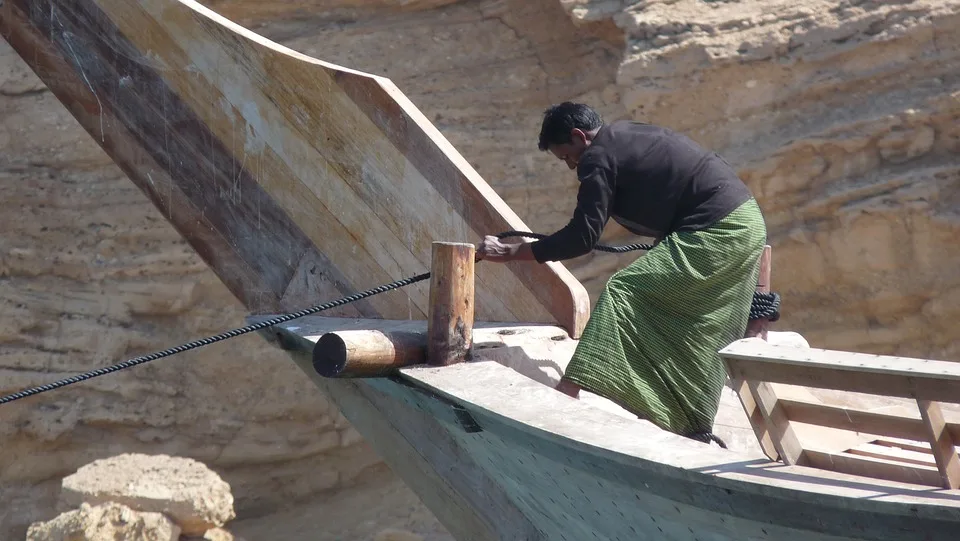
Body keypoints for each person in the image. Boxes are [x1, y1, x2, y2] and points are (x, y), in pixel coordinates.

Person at [476, 102, 767, 444]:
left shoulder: (597, 156)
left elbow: (582, 237)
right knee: (692, 323)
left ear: (578, 136)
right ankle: (690, 422)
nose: (572, 166)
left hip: (718, 229)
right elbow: (680, 187)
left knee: (624, 291)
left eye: (566, 157)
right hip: (747, 222)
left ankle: (568, 391)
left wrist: (509, 252)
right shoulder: (626, 134)